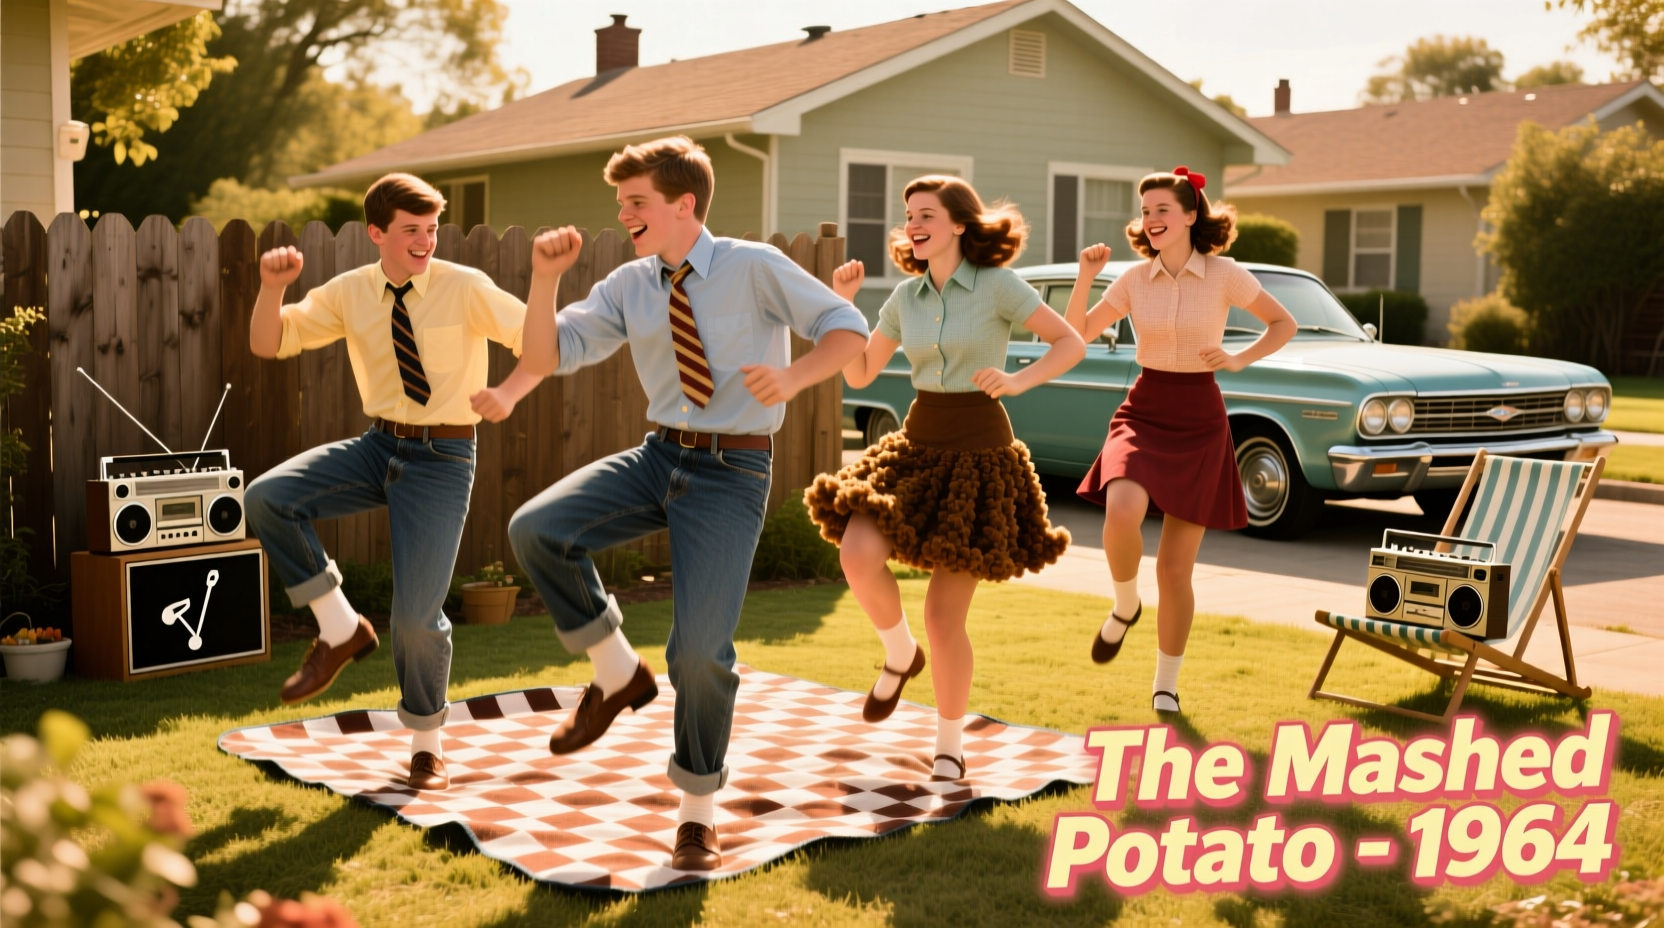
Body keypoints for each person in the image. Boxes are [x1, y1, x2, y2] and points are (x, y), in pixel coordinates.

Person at [484, 136, 869, 872]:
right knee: (535, 529)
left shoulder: (754, 265)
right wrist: (542, 283)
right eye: (620, 203)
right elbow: (544, 356)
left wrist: (793, 380)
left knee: (698, 653)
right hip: (658, 456)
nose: (624, 214)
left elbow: (846, 329)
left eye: (637, 202)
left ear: (684, 204)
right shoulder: (630, 282)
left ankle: (696, 812)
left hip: (733, 471)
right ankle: (615, 669)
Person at [245, 173, 536, 791]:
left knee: (415, 618)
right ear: (376, 233)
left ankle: (427, 745)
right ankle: (341, 627)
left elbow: (539, 338)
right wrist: (272, 289)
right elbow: (269, 343)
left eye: (432, 230)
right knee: (267, 498)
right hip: (379, 445)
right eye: (411, 231)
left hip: (443, 458)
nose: (425, 241)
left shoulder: (464, 287)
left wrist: (511, 387)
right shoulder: (350, 291)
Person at [804, 176, 1082, 781]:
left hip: (980, 455)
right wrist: (841, 306)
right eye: (909, 217)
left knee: (943, 615)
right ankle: (900, 656)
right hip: (919, 445)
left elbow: (1070, 343)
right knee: (857, 551)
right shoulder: (905, 297)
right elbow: (859, 373)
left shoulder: (999, 286)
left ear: (959, 224)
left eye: (926, 214)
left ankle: (950, 743)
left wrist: (1017, 380)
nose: (914, 225)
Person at [1065, 166, 1295, 713]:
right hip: (1144, 409)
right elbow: (1074, 336)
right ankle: (1125, 607)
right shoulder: (1132, 279)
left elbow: (1282, 324)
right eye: (1145, 213)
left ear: (1191, 215)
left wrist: (1239, 358)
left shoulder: (1225, 275)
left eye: (1162, 210)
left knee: (1174, 568)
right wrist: (1084, 277)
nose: (1150, 221)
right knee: (1120, 509)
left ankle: (1166, 683)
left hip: (1200, 417)